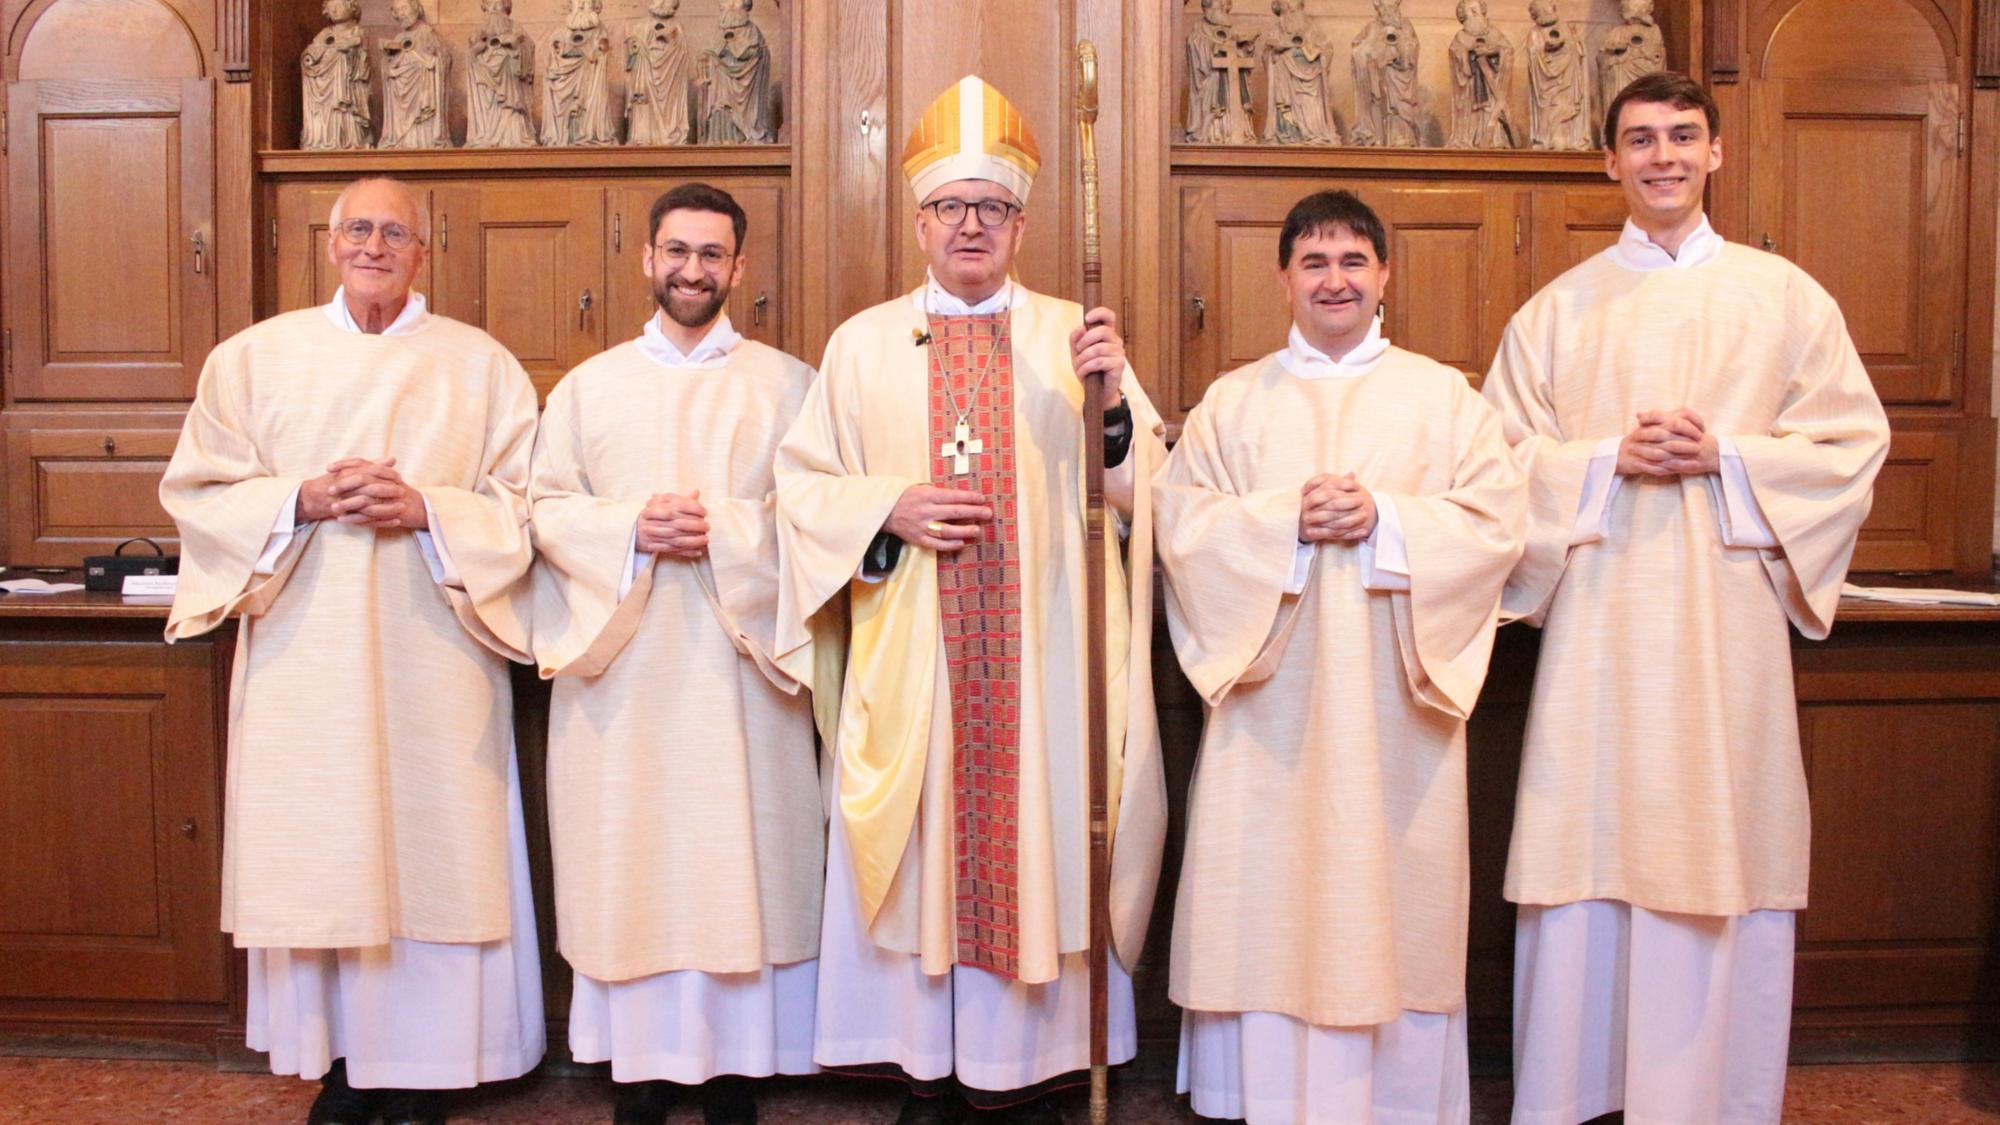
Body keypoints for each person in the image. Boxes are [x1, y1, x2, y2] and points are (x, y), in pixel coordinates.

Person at [1481, 72, 1890, 1125]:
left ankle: (1707, 1098)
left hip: (1724, 632)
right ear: (1606, 162)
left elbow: (1850, 446)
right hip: (1597, 638)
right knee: (1589, 840)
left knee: (1719, 841)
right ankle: (1575, 1094)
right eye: (1637, 140)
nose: (1660, 156)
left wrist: (1727, 457)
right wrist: (1600, 461)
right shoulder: (1555, 310)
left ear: (1713, 153)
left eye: (1680, 137)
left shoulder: (1784, 297)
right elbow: (1491, 468)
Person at [772, 75, 1169, 1125]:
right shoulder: (861, 345)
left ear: (1023, 222)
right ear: (916, 221)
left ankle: (1028, 1061)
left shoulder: (1071, 339)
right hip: (915, 656)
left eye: (989, 208)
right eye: (949, 207)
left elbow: (1143, 490)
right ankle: (923, 1060)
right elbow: (800, 488)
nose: (969, 226)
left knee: (1037, 828)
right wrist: (885, 506)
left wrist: (1113, 406)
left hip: (1042, 658)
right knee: (922, 847)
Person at [161, 176, 543, 1125]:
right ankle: (336, 1062)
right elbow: (199, 491)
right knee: (324, 849)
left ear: (426, 249)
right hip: (306, 654)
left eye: (396, 232)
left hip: (436, 657)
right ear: (330, 243)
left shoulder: (481, 365)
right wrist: (301, 500)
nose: (375, 245)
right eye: (359, 229)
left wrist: (427, 510)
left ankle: (426, 1070)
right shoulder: (252, 359)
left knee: (433, 849)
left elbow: (529, 507)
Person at [1158, 188, 1525, 1125]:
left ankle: (1395, 1101)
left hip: (1393, 719)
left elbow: (1496, 522)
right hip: (1268, 713)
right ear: (1283, 277)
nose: (1335, 279)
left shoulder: (1443, 397)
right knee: (1267, 891)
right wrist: (1284, 521)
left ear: (1384, 276)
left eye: (1353, 260)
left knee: (1389, 895)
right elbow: (1182, 527)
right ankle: (1270, 1098)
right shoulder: (1233, 403)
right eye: (1314, 262)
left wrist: (1388, 519)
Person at [528, 182, 822, 1125]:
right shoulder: (589, 386)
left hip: (742, 676)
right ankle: (639, 1075)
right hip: (625, 676)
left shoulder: (788, 385)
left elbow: (818, 515)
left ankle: (737, 1074)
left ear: (740, 268)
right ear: (645, 259)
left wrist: (725, 534)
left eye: (712, 254)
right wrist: (630, 528)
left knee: (736, 861)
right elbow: (542, 510)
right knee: (632, 865)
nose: (693, 269)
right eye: (677, 251)